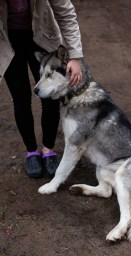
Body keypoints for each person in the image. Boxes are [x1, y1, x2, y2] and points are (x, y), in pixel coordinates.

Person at [0, 0, 83, 179]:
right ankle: (31, 152)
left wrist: (75, 56)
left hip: (42, 38)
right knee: (20, 98)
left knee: (50, 96)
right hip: (7, 40)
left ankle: (48, 150)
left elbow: (66, 13)